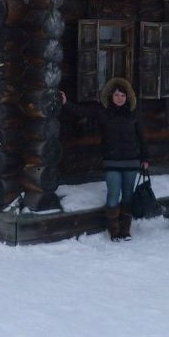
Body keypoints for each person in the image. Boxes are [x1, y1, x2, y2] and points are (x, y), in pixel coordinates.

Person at [61, 77, 149, 241]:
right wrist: (66, 103)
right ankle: (114, 230)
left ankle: (125, 230)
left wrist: (145, 158)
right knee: (113, 194)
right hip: (111, 161)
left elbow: (141, 137)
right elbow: (82, 111)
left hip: (131, 161)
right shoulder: (103, 111)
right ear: (111, 96)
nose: (119, 98)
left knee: (128, 196)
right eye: (116, 95)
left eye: (122, 95)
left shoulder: (133, 113)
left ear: (127, 97)